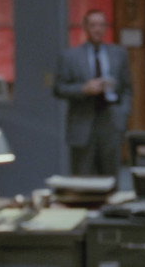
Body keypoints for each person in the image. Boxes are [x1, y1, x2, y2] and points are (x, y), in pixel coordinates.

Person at [54, 9, 132, 176]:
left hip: (111, 120)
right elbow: (59, 88)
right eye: (93, 25)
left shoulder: (119, 54)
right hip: (83, 121)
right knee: (83, 176)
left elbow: (127, 88)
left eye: (102, 25)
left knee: (111, 176)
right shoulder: (70, 56)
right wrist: (83, 89)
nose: (98, 29)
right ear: (85, 28)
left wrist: (123, 114)